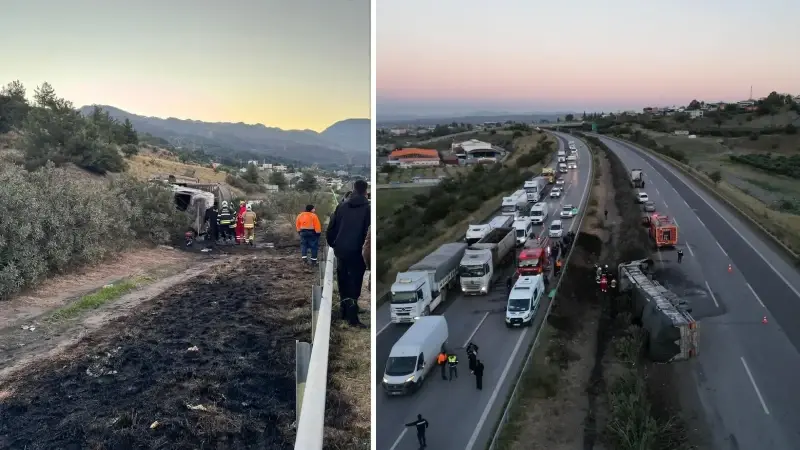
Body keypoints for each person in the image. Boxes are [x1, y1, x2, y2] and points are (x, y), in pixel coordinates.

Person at [327, 179, 370, 327]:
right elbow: (368, 234)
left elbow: (331, 228)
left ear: (353, 189)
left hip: (341, 251)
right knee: (354, 284)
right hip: (357, 252)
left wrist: (335, 245)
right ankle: (352, 318)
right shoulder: (367, 209)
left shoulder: (341, 206)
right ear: (365, 191)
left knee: (343, 280)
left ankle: (344, 310)